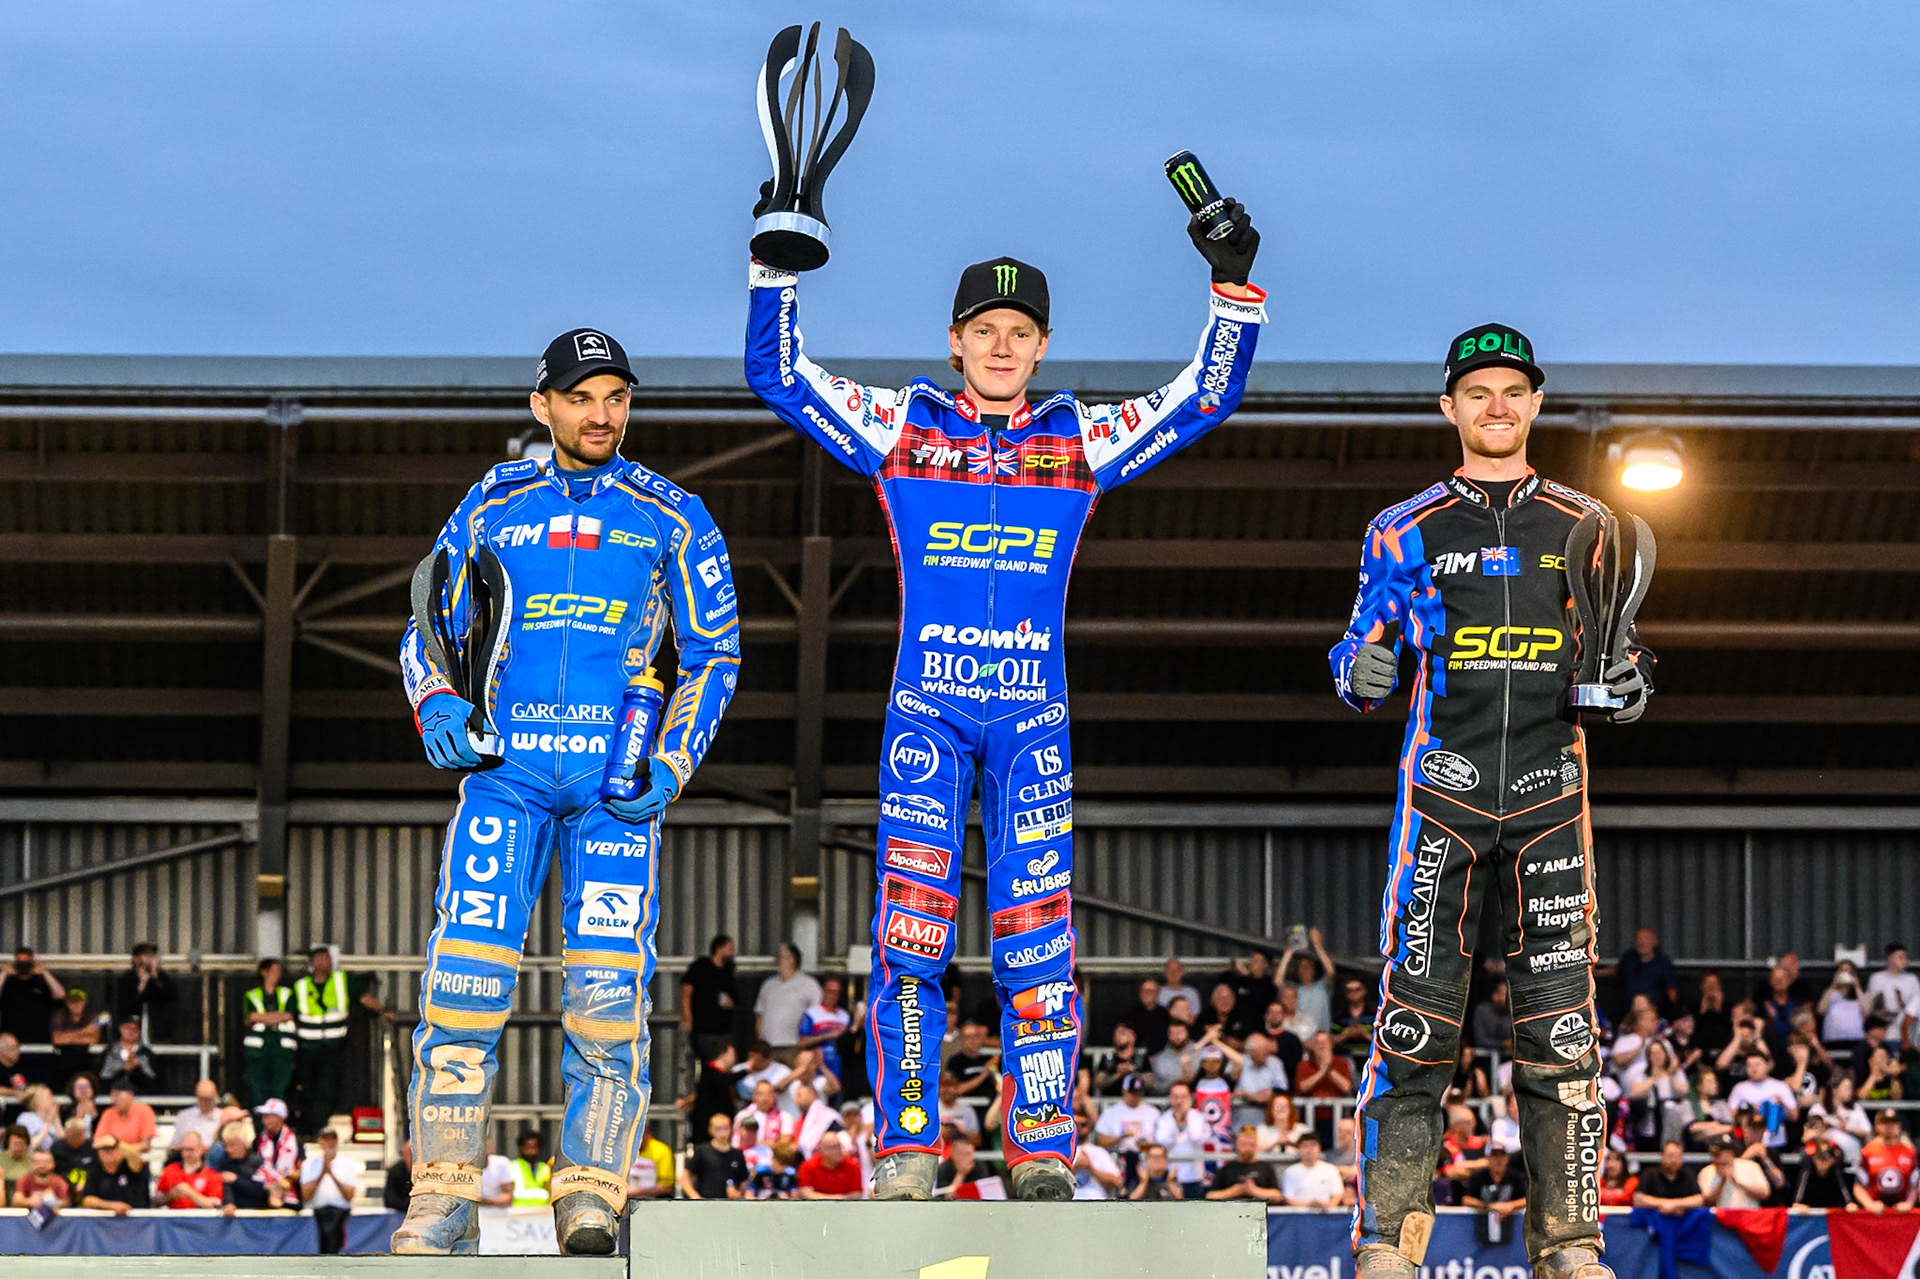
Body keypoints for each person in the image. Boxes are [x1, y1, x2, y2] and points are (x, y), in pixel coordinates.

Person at [747, 176, 1266, 1203]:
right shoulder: (902, 426)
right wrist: (777, 263)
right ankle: (906, 1146)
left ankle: (1040, 1150)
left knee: (1038, 945)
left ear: (1042, 347)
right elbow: (778, 374)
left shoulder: (1078, 439)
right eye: (983, 329)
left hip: (1033, 724)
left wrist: (1232, 290)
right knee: (910, 940)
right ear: (954, 342)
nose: (1000, 345)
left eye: (1019, 332)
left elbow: (1205, 397)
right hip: (927, 717)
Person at [394, 327, 740, 1256]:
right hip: (503, 778)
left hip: (612, 785)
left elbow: (716, 653)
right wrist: (435, 700)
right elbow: (427, 619)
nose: (601, 414)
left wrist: (670, 763)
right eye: (582, 397)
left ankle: (590, 1193)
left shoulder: (673, 514)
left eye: (616, 397)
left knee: (607, 997)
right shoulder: (492, 500)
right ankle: (442, 1197)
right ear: (541, 404)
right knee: (461, 990)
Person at [1332, 324, 1654, 1279]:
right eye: (1478, 392)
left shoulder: (1587, 524)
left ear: (1537, 404)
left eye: (1514, 390)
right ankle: (1387, 1240)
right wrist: (1359, 668)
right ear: (1450, 408)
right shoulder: (1405, 528)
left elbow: (1618, 652)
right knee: (1413, 1026)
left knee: (1564, 1034)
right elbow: (1358, 650)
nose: (1498, 406)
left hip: (1554, 797)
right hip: (1442, 799)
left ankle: (1571, 1245)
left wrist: (1633, 682)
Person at [292, 945, 387, 1137]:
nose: (324, 963)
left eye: (327, 959)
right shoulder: (300, 986)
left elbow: (364, 998)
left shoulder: (341, 980)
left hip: (332, 1047)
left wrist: (383, 1011)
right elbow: (290, 1012)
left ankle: (318, 1128)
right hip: (307, 1048)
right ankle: (306, 1128)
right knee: (306, 1089)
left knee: (327, 1088)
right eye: (320, 959)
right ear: (312, 963)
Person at [243, 957, 299, 1107]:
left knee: (280, 1089)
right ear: (264, 972)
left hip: (281, 1049)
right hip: (257, 1051)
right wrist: (276, 1017)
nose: (277, 974)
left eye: (279, 971)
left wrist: (263, 1018)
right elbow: (250, 1017)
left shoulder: (287, 993)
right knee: (258, 1089)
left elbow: (288, 1015)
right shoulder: (251, 995)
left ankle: (277, 1119)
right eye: (274, 971)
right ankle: (260, 1120)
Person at [754, 943, 821, 1066]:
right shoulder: (768, 985)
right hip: (769, 1048)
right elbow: (760, 1015)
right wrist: (760, 1043)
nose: (777, 960)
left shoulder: (808, 984)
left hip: (794, 1047)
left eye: (780, 956)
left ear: (792, 959)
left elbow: (818, 1014)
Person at [680, 935, 739, 1066]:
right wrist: (687, 1017)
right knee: (710, 1063)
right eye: (729, 948)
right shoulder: (701, 966)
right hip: (703, 1029)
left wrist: (730, 1003)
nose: (732, 953)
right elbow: (686, 991)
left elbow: (735, 999)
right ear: (719, 949)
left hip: (724, 1030)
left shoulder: (728, 971)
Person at [302, 1129, 361, 1254]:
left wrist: (331, 1173)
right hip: (318, 1212)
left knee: (336, 1245)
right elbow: (306, 1194)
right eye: (326, 1139)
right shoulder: (309, 1164)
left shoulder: (348, 1163)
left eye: (332, 1139)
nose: (330, 1143)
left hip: (340, 1213)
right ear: (320, 1142)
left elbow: (349, 1195)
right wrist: (322, 1172)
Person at [1154, 1081, 1213, 1198]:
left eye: (1183, 1097)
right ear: (1170, 1099)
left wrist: (1186, 1119)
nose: (1179, 1101)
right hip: (1170, 1175)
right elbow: (1161, 1141)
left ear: (1190, 1098)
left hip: (1194, 1175)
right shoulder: (1164, 1119)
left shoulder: (1198, 1117)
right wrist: (1175, 1122)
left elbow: (1198, 1138)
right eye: (1176, 1097)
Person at [1727, 1052, 1798, 1149]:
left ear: (1768, 1065)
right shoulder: (1739, 1088)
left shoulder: (1781, 1086)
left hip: (1775, 1142)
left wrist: (1782, 1104)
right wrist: (1749, 1110)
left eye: (1757, 1064)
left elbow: (1794, 1116)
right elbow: (1732, 1115)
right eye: (1749, 1065)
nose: (1754, 1069)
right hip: (1747, 1141)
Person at [1855, 1107, 1919, 1213]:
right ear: (1877, 1126)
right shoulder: (1867, 1152)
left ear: (1899, 1125)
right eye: (1884, 1123)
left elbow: (1914, 1185)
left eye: (1893, 1123)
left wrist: (1909, 1203)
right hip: (1875, 1213)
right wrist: (1870, 1204)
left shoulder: (1909, 1152)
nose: (1889, 1126)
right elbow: (1858, 1186)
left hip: (1902, 1213)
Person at [1462, 1145, 1530, 1244]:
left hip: (1512, 1230)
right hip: (1482, 1229)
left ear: (1507, 1159)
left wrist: (1511, 1206)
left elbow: (1527, 1199)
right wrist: (1490, 1206)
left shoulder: (1516, 1177)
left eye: (1502, 1156)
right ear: (1488, 1159)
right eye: (1494, 1156)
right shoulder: (1478, 1177)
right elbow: (1466, 1199)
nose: (1498, 1160)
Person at [112, 943, 177, 1042]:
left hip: (158, 1033)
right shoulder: (126, 980)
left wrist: (154, 976)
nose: (150, 958)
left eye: (152, 955)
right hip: (132, 1033)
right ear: (136, 959)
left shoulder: (162, 978)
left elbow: (171, 996)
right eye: (146, 955)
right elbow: (124, 1005)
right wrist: (141, 985)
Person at [795, 975, 853, 1085]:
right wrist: (827, 1036)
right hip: (817, 1069)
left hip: (840, 1068)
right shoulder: (811, 1014)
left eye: (836, 993)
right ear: (822, 991)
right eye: (829, 991)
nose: (833, 996)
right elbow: (801, 1042)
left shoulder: (844, 1016)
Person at [0, 948, 64, 1048]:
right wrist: (4, 972)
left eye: (27, 962)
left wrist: (44, 972)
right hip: (11, 1042)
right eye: (20, 962)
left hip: (39, 1041)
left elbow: (60, 994)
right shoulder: (8, 983)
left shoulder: (42, 983)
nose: (23, 965)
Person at [679, 1113, 749, 1200]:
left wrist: (739, 1194)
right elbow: (685, 1177)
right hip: (706, 1201)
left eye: (725, 1128)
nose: (722, 1133)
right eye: (718, 1129)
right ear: (710, 1130)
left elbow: (743, 1180)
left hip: (730, 1202)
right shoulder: (702, 1151)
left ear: (731, 1129)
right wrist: (695, 1197)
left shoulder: (737, 1154)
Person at [1205, 1126, 1282, 1203]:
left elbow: (1277, 1196)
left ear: (1256, 1146)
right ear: (1237, 1145)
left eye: (1251, 1145)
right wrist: (1234, 1191)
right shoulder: (1226, 1168)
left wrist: (1254, 1191)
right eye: (1244, 1145)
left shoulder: (1265, 1168)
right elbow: (1210, 1196)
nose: (1247, 1149)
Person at [1611, 928, 1679, 1015]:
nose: (1642, 943)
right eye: (1639, 939)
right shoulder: (1628, 958)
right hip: (1628, 1012)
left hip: (1653, 1012)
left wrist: (1674, 1010)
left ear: (1654, 941)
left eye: (1646, 939)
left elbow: (1672, 989)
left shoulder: (1663, 963)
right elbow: (1615, 971)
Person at [49, 988, 108, 1086]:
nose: (76, 1005)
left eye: (80, 1001)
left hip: (86, 1059)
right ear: (67, 1003)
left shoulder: (91, 1016)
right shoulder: (59, 1015)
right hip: (64, 1059)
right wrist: (86, 1031)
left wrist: (67, 1036)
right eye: (73, 1002)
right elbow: (57, 1039)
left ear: (85, 1002)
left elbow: (93, 1039)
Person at [77, 1134, 151, 1212]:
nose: (108, 1152)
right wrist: (112, 1206)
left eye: (112, 1148)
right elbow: (88, 1200)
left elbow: (135, 1156)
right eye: (103, 1149)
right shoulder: (95, 1170)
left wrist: (117, 1143)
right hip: (105, 1217)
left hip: (138, 1216)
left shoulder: (131, 1166)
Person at [157, 1131, 226, 1209]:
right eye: (184, 1149)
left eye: (191, 1149)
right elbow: (155, 1201)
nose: (187, 1153)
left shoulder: (213, 1176)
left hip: (200, 1216)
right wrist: (171, 1195)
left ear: (201, 1149)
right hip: (174, 1215)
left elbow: (215, 1205)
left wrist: (190, 1192)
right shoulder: (170, 1170)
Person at [93, 1079, 157, 1162]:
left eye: (117, 1095)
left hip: (136, 1158)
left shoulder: (144, 1111)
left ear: (130, 1095)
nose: (114, 1100)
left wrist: (118, 1144)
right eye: (112, 1096)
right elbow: (98, 1142)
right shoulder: (108, 1113)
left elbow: (145, 1145)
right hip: (111, 1159)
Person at [253, 1099, 302, 1205]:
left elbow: (301, 1169)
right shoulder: (258, 1140)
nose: (263, 1121)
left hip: (289, 1193)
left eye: (268, 1117)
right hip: (264, 1192)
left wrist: (287, 1177)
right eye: (263, 1117)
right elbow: (252, 1166)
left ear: (280, 1118)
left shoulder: (295, 1140)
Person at [1699, 1137, 1771, 1209]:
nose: (1714, 1159)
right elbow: (1708, 1202)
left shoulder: (1750, 1166)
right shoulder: (1706, 1172)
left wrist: (1737, 1182)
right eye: (1712, 1155)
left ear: (1730, 1153)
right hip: (1721, 1214)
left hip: (1748, 1214)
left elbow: (1764, 1193)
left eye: (1718, 1155)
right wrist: (1722, 1181)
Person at [1631, 1141, 1702, 1214]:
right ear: (1662, 1156)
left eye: (1678, 1156)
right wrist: (1662, 1204)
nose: (1674, 1160)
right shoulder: (1650, 1174)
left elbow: (1699, 1199)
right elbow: (1638, 1198)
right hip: (1654, 1218)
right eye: (1670, 1156)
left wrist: (1676, 1204)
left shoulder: (1689, 1174)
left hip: (1682, 1218)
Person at [1868, 945, 1920, 1038]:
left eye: (1905, 958)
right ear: (1890, 959)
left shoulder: (1912, 979)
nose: (1904, 961)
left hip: (1908, 1029)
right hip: (1885, 1028)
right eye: (1900, 957)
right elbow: (1874, 1004)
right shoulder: (1877, 978)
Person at [1070, 1111, 1124, 1200]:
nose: (1079, 1128)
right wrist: (1073, 1169)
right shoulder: (1061, 1152)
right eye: (1075, 1124)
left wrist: (1090, 1168)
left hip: (1096, 1202)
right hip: (1068, 1203)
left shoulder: (1099, 1152)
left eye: (1083, 1124)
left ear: (1090, 1126)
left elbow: (1115, 1183)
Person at [1283, 1131, 1346, 1208]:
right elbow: (1288, 1198)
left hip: (1326, 1212)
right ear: (1299, 1149)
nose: (1309, 1150)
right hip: (1299, 1213)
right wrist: (1308, 1206)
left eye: (1313, 1146)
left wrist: (1329, 1208)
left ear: (1319, 1148)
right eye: (1305, 1146)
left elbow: (1338, 1194)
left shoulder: (1331, 1170)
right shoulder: (1290, 1172)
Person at [98, 1017, 158, 1094]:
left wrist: (136, 1069)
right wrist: (123, 1069)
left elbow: (153, 1081)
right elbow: (102, 1078)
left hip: (139, 1096)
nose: (131, 1031)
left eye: (135, 1029)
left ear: (140, 1031)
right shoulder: (109, 1051)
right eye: (127, 1028)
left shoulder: (146, 1053)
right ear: (120, 1029)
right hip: (113, 1095)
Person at [795, 1131, 862, 1200]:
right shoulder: (808, 1166)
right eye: (833, 1147)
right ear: (822, 1150)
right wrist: (838, 1199)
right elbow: (806, 1193)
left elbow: (856, 1195)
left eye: (839, 1146)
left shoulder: (853, 1165)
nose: (838, 1150)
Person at [170, 1080, 229, 1154]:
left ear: (215, 1096)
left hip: (213, 1157)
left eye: (208, 1099)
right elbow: (174, 1146)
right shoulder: (184, 1116)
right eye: (201, 1098)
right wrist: (189, 1147)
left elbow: (227, 1147)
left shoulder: (222, 1117)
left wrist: (208, 1149)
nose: (204, 1102)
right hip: (188, 1156)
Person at [1794, 1137, 1854, 1209]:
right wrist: (1798, 1202)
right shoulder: (1808, 1164)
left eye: (1825, 1160)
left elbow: (1842, 1185)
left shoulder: (1835, 1167)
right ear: (1814, 1158)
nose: (1821, 1164)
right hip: (1809, 1206)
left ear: (1832, 1160)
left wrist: (1849, 1202)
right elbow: (1802, 1184)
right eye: (1819, 1159)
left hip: (1830, 1205)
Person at [1121, 978, 1173, 1056]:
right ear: (1140, 994)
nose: (1147, 993)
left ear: (1157, 993)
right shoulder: (1130, 1014)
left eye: (1151, 991)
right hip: (1135, 1055)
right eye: (1145, 990)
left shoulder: (1166, 1014)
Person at [626, 1123, 675, 1202]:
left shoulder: (662, 1151)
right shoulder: (623, 1149)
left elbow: (667, 1187)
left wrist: (635, 1192)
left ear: (647, 1134)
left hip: (654, 1202)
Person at [1151, 1019, 1200, 1092]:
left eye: (1180, 1033)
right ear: (1168, 1035)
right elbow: (1157, 1086)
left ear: (1187, 1033)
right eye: (1173, 1033)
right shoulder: (1159, 1059)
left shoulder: (1200, 1053)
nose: (1177, 1036)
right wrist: (1172, 1083)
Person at [49, 1118, 97, 1187]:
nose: (76, 1138)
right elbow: (53, 1171)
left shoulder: (92, 1147)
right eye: (72, 1135)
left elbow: (96, 1169)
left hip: (88, 1182)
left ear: (84, 1133)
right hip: (63, 1182)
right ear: (66, 1133)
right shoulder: (57, 1148)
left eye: (79, 1135)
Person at [1470, 981, 1513, 1057]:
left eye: (1508, 995)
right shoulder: (1482, 1011)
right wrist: (1503, 1044)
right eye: (1503, 994)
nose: (1506, 998)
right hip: (1484, 1057)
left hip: (1510, 1057)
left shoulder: (1514, 1013)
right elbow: (1480, 1040)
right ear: (1494, 995)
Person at [510, 1130, 552, 1208]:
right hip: (519, 1210)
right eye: (527, 1148)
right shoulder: (513, 1166)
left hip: (543, 1211)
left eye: (534, 1147)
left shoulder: (545, 1168)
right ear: (521, 1148)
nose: (531, 1151)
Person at [384, 1138, 414, 1212]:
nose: (413, 1159)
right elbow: (389, 1200)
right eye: (410, 1155)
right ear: (404, 1155)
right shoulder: (395, 1172)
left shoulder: (428, 1171)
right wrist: (410, 1203)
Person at [0, 1124, 32, 1190]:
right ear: (8, 1143)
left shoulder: (33, 1160)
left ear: (27, 1144)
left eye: (21, 1144)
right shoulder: (1, 1159)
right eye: (15, 1144)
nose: (18, 1148)